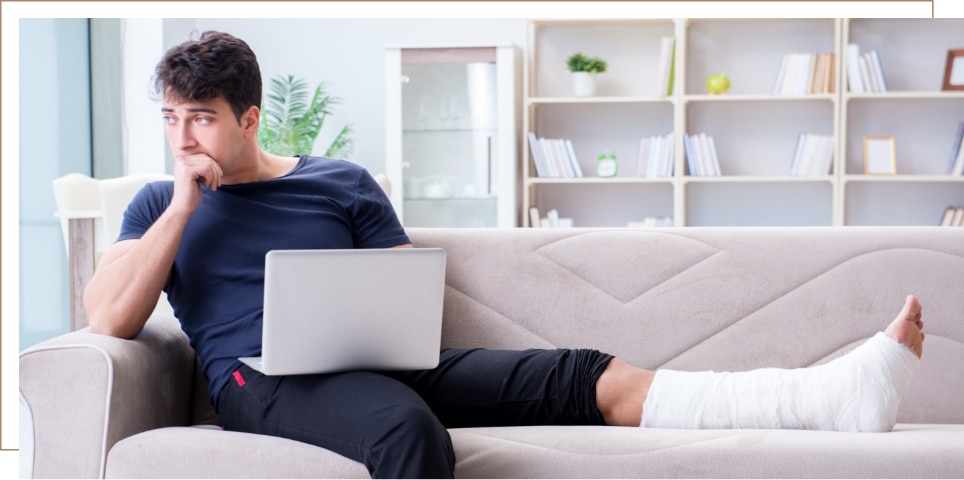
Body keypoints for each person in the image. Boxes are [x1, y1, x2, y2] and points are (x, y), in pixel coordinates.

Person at [84, 31, 925, 479]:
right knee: (407, 432)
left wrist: (379, 323)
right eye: (171, 117)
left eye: (200, 116)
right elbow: (108, 316)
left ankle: (827, 399)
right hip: (257, 381)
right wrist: (186, 206)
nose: (183, 134)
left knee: (585, 373)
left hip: (379, 362)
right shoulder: (161, 203)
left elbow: (401, 289)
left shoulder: (340, 182)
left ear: (250, 117)